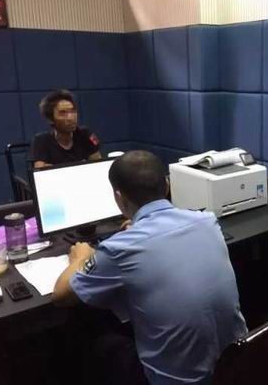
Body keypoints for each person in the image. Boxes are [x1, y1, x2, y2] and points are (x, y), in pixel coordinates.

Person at [53, 150, 248, 385]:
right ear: (166, 185)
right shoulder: (207, 221)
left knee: (95, 339)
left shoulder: (119, 248)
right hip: (235, 368)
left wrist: (80, 257)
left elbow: (61, 295)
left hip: (176, 382)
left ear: (119, 197)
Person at [30, 89, 101, 168]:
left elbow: (98, 164)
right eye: (63, 113)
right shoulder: (41, 140)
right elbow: (40, 171)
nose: (71, 118)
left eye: (73, 111)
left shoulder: (85, 134)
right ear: (50, 119)